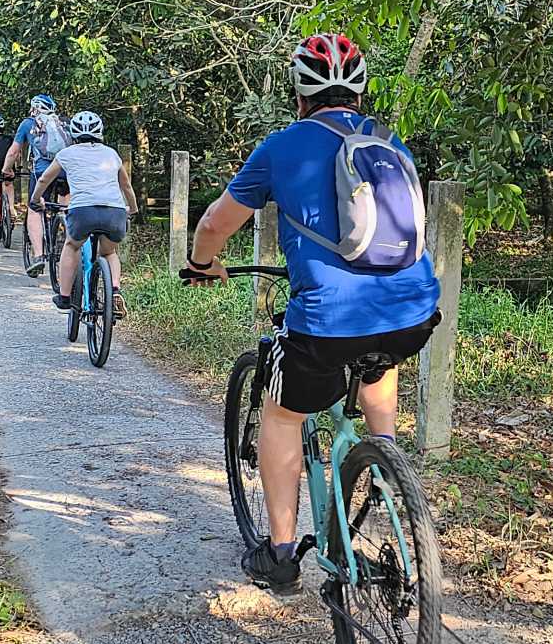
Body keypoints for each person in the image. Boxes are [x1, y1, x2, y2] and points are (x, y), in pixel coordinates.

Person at [181, 34, 440, 593]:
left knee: (283, 416)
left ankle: (279, 555)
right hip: (415, 309)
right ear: (361, 94)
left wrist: (204, 264)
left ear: (299, 97)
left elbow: (213, 227)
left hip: (326, 321)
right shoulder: (391, 143)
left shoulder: (280, 147)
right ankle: (381, 460)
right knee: (378, 356)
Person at [31, 111, 136, 310]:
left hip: (82, 212)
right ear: (100, 132)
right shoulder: (111, 154)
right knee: (109, 252)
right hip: (114, 211)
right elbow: (127, 186)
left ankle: (64, 296)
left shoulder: (66, 154)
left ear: (73, 134)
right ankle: (114, 290)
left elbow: (44, 179)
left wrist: (36, 200)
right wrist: (133, 208)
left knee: (71, 246)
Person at [4, 94, 72, 275]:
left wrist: (6, 170)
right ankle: (66, 235)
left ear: (34, 108)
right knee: (65, 205)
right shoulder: (64, 123)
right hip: (66, 171)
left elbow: (14, 151)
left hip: (42, 172)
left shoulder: (28, 124)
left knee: (35, 208)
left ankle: (39, 255)